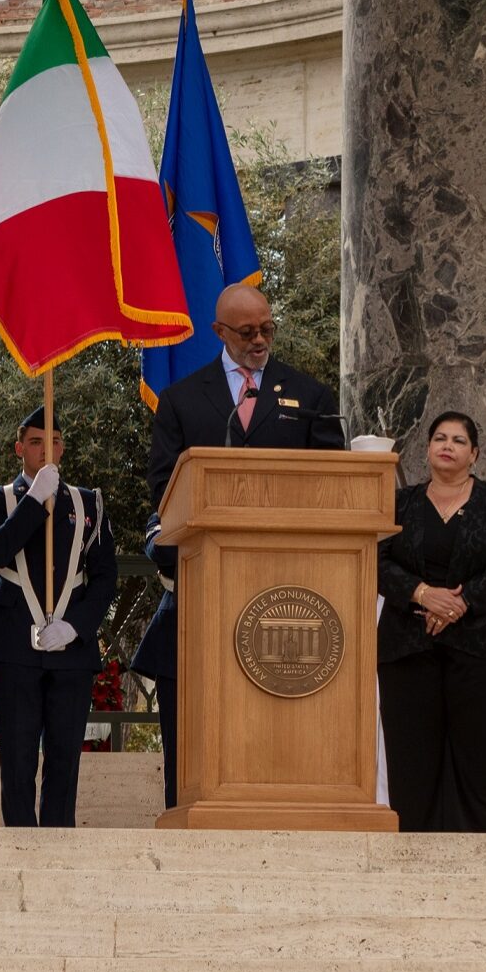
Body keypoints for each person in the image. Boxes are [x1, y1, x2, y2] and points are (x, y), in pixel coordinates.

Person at [139, 284, 349, 806]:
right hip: (207, 590)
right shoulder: (183, 399)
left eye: (267, 329)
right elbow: (165, 489)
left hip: (289, 589)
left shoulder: (311, 396)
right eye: (247, 332)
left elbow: (333, 484)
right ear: (219, 332)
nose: (260, 340)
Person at [376, 411, 486, 833]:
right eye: (440, 438)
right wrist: (421, 593)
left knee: (479, 761)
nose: (447, 446)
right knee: (412, 762)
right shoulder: (399, 503)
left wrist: (462, 601)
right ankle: (415, 855)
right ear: (427, 448)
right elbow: (374, 558)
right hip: (409, 649)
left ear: (475, 454)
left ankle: (477, 855)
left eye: (459, 440)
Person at [0, 407, 116, 827]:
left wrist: (76, 626)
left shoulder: (88, 502)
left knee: (65, 761)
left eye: (53, 442)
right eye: (36, 442)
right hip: (15, 643)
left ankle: (58, 848)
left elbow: (105, 576)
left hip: (70, 649)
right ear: (19, 448)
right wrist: (34, 500)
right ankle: (21, 846)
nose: (45, 450)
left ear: (63, 447)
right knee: (17, 762)